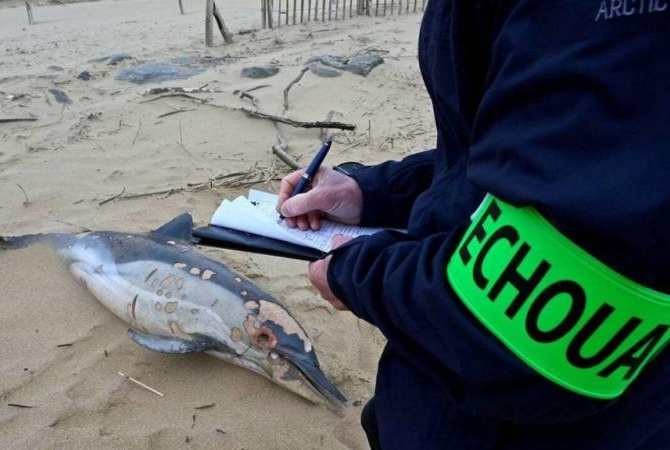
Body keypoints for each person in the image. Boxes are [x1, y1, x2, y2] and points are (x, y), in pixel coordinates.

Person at [277, 1, 670, 449]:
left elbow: (535, 319)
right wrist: (375, 192)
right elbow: (520, 156)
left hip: (540, 424)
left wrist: (357, 274)